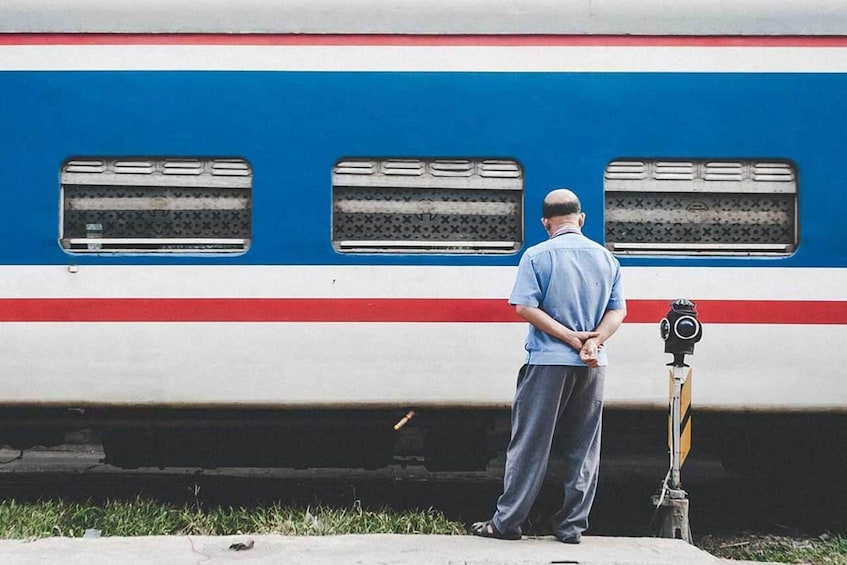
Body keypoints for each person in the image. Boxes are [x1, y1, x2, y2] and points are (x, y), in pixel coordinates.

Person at [470, 188, 626, 544]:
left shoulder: (537, 256)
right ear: (581, 219)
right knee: (584, 446)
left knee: (530, 444)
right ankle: (571, 527)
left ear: (545, 222)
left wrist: (571, 339)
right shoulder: (607, 259)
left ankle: (508, 523)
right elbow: (618, 311)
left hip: (547, 363)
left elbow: (525, 306)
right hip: (593, 364)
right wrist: (593, 341)